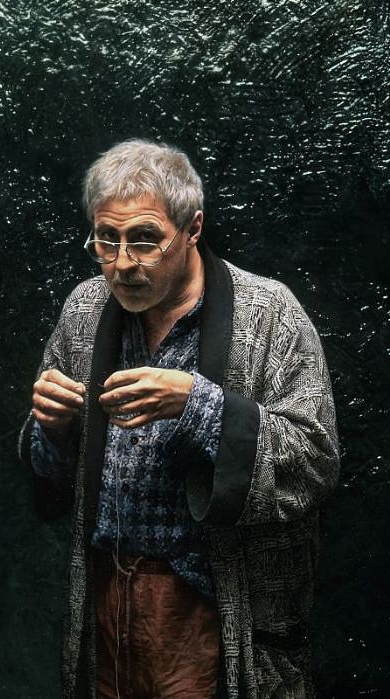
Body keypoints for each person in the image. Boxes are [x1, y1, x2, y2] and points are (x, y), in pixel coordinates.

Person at [19, 138, 340, 699]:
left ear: (193, 229)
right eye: (106, 239)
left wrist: (201, 406)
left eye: (145, 239)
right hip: (104, 597)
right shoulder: (84, 309)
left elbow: (315, 463)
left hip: (207, 607)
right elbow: (50, 472)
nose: (122, 263)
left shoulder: (272, 315)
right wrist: (50, 425)